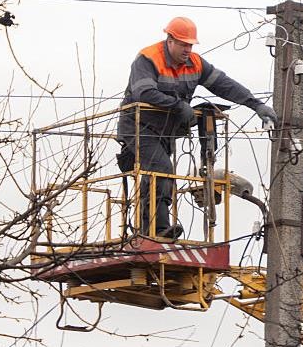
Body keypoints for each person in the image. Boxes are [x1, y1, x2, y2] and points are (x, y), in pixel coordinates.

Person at [116, 16, 276, 238]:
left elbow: (224, 85)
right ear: (169, 40)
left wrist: (255, 104)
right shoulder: (148, 59)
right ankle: (157, 230)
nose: (187, 49)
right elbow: (143, 93)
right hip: (137, 127)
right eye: (183, 44)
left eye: (190, 45)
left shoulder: (195, 63)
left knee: (157, 174)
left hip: (165, 130)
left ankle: (152, 228)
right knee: (161, 170)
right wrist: (178, 106)